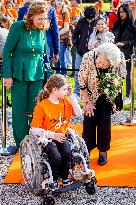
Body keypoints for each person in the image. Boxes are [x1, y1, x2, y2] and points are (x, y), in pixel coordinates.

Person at [2, 1, 49, 150]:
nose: (42, 21)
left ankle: (34, 140)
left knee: (35, 109)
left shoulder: (42, 30)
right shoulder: (18, 27)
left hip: (37, 73)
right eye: (39, 18)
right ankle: (21, 144)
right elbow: (7, 52)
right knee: (20, 111)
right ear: (31, 16)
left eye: (44, 18)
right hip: (19, 74)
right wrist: (7, 75)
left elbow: (42, 52)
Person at [78, 43, 126, 166]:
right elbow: (81, 81)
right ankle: (86, 149)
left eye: (106, 64)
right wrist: (87, 102)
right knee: (89, 120)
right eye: (100, 62)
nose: (101, 65)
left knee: (105, 121)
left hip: (107, 94)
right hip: (90, 92)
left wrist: (114, 87)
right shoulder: (88, 57)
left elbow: (122, 76)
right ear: (99, 54)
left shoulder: (118, 57)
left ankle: (103, 150)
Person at [30, 74, 82, 187]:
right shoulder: (42, 107)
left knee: (67, 152)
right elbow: (34, 130)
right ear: (54, 90)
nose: (65, 92)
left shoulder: (65, 102)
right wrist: (52, 135)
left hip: (61, 135)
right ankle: (53, 178)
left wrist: (71, 95)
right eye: (64, 89)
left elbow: (78, 113)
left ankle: (64, 177)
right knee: (55, 156)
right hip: (46, 138)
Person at [112, 4, 136, 104]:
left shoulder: (132, 24)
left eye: (123, 12)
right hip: (116, 53)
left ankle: (128, 95)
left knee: (128, 74)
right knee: (117, 74)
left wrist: (124, 43)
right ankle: (117, 95)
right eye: (120, 12)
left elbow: (135, 40)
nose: (120, 14)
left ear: (127, 12)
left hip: (128, 52)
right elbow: (112, 35)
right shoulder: (117, 23)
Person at [72, 6, 96, 97]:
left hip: (92, 53)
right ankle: (77, 92)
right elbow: (75, 35)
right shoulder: (81, 21)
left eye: (91, 19)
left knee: (91, 73)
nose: (90, 20)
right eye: (88, 19)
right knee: (78, 71)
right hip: (80, 52)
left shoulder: (98, 22)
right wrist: (77, 45)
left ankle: (90, 92)